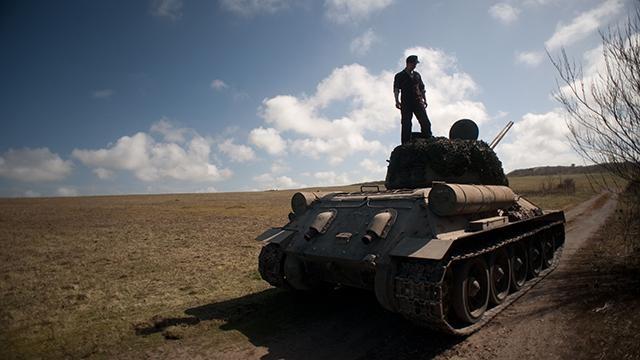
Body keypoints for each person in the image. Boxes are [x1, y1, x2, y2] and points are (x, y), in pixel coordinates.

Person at [393, 55, 432, 144]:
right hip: (406, 103)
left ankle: (428, 140)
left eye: (416, 64)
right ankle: (405, 144)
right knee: (406, 124)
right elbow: (396, 89)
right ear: (409, 63)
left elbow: (422, 88)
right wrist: (396, 101)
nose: (415, 65)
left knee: (425, 122)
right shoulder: (400, 75)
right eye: (414, 63)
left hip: (418, 101)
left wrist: (424, 100)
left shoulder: (417, 75)